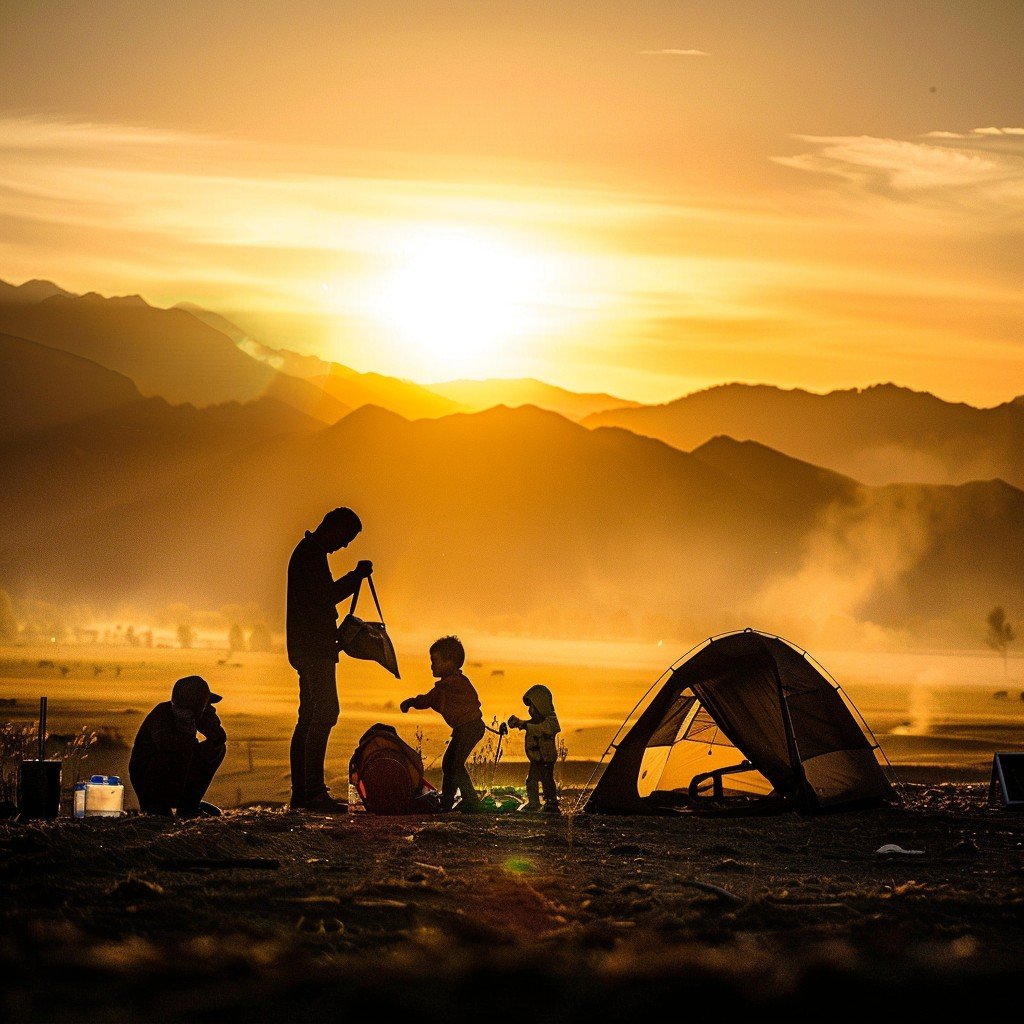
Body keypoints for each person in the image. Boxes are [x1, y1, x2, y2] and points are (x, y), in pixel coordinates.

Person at [287, 506, 373, 813]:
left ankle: (303, 794)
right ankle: (312, 793)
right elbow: (324, 598)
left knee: (309, 716)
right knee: (324, 712)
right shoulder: (310, 555)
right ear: (334, 528)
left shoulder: (307, 553)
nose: (345, 545)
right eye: (346, 537)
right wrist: (355, 578)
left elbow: (318, 600)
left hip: (307, 646)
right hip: (314, 649)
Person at [400, 635, 484, 812]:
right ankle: (449, 801)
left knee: (454, 764)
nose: (432, 665)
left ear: (450, 662)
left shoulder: (450, 684)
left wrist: (411, 702)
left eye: (435, 660)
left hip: (469, 728)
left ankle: (467, 800)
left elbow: (429, 698)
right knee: (450, 764)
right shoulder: (453, 683)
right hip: (466, 728)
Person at [128, 675, 226, 817]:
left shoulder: (194, 715)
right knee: (179, 753)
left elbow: (219, 740)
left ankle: (188, 805)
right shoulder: (162, 714)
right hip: (149, 784)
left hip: (171, 779)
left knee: (216, 749)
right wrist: (189, 730)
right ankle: (161, 806)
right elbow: (168, 747)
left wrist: (210, 722)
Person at [348, 722, 439, 814]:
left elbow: (356, 783)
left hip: (375, 804)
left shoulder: (361, 753)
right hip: (402, 802)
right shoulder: (397, 745)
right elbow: (417, 775)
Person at [507, 684, 561, 813]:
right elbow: (532, 726)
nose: (530, 710)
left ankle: (551, 803)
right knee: (532, 781)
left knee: (547, 781)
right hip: (537, 758)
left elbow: (542, 729)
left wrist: (524, 724)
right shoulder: (535, 722)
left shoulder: (550, 721)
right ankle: (534, 803)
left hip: (546, 759)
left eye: (532, 706)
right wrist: (518, 723)